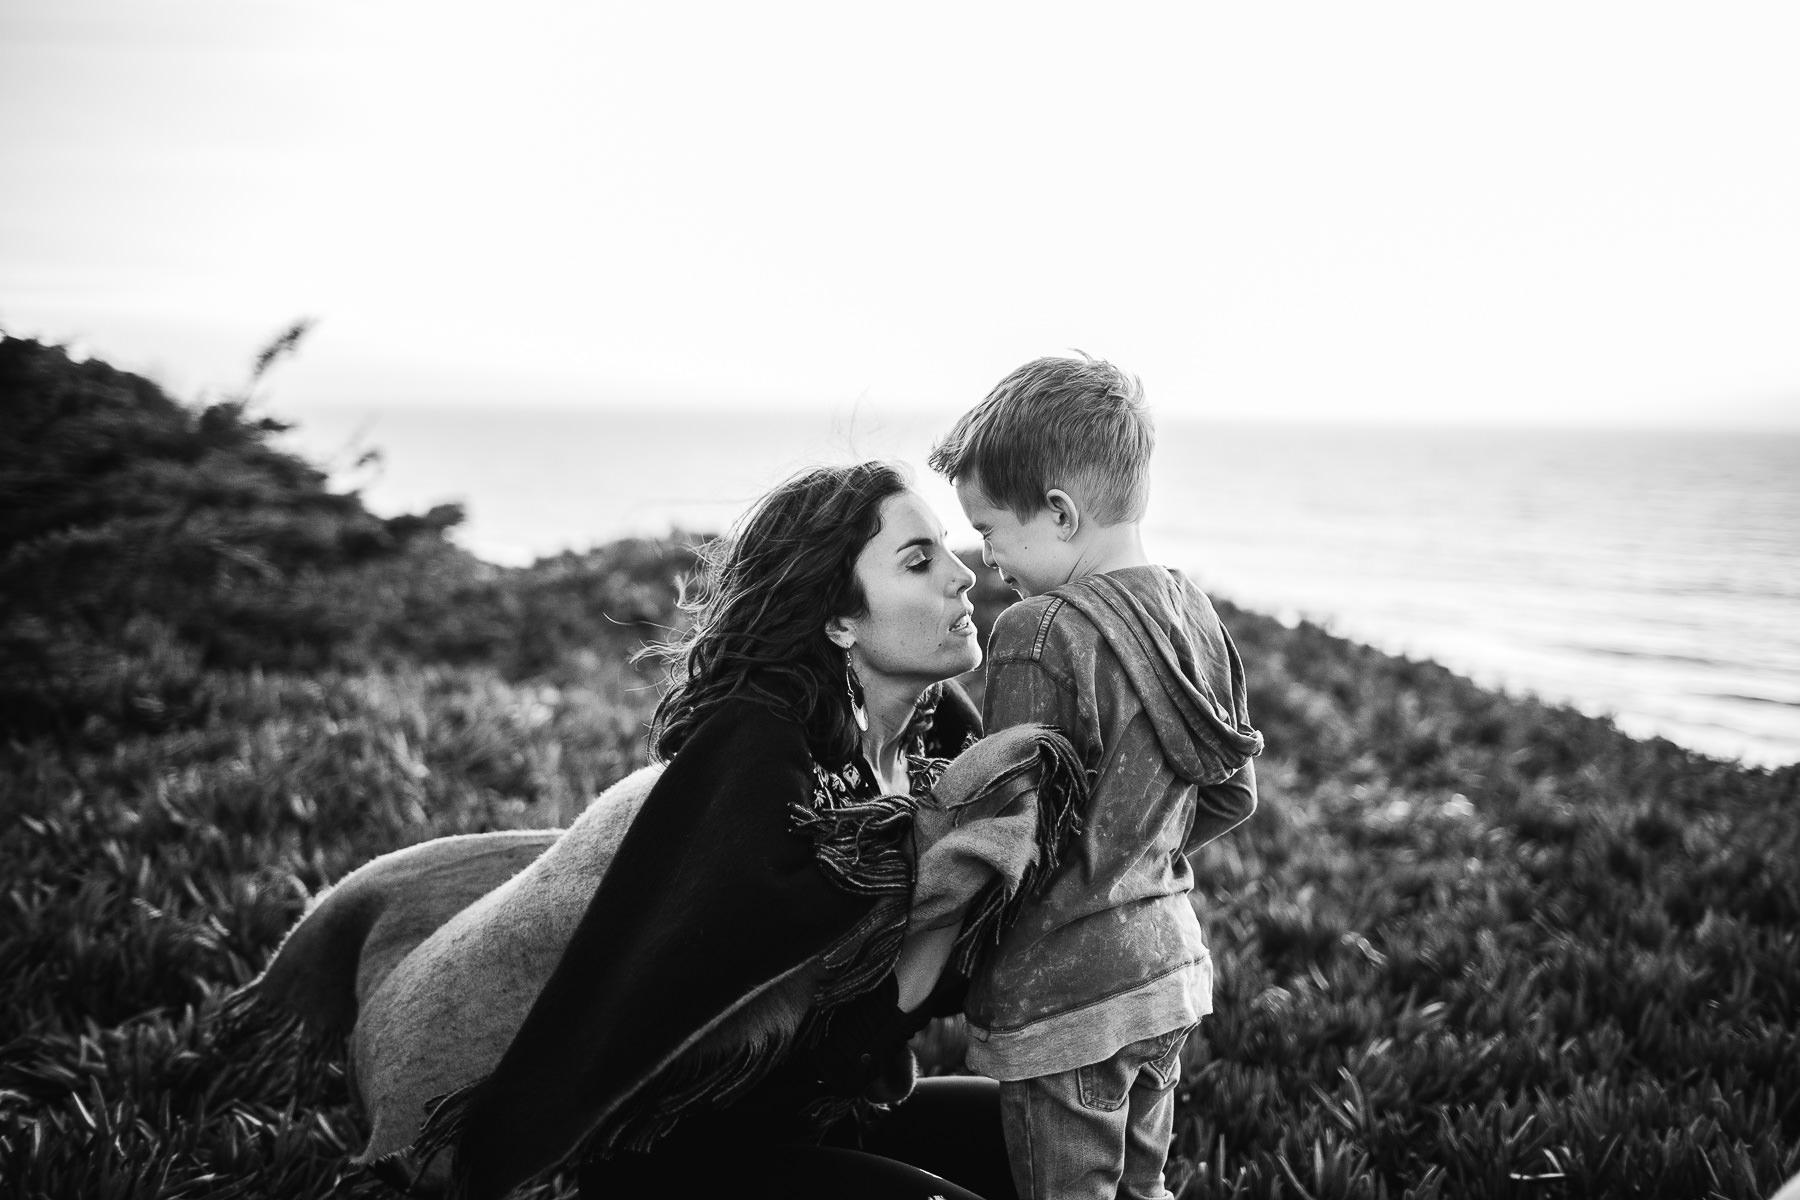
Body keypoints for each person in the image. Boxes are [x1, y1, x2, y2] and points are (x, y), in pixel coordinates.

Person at [433, 461, 1054, 1200]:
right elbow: (813, 1031)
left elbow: (963, 971)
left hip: (827, 1116)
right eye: (919, 561)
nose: (962, 575)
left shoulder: (942, 735)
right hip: (693, 1159)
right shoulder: (757, 750)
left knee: (1046, 1134)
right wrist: (945, 889)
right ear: (838, 618)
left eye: (950, 549)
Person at [928, 356, 1265, 1200]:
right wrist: (1133, 847)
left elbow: (1003, 830)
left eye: (991, 529)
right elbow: (1233, 790)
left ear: (1061, 513)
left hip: (1066, 994)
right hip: (1165, 975)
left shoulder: (1038, 632)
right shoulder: (1194, 612)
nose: (984, 555)